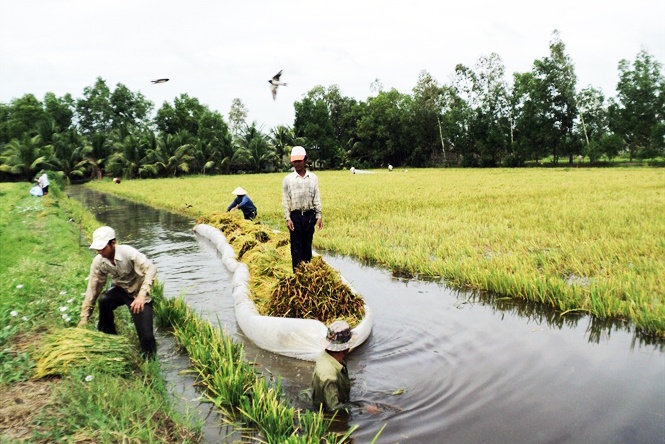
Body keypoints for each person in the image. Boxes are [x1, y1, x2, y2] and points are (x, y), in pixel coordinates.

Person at [78, 226, 158, 357]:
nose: (100, 251)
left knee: (147, 337)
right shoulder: (99, 261)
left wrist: (142, 296)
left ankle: (150, 359)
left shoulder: (128, 253)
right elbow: (93, 288)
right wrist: (84, 317)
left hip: (138, 293)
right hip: (120, 290)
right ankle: (109, 336)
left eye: (103, 248)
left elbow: (151, 269)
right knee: (104, 300)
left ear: (113, 243)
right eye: (98, 249)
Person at [282, 146, 323, 272]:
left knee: (307, 244)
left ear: (305, 160)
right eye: (295, 161)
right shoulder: (288, 179)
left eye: (299, 161)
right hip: (295, 216)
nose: (297, 164)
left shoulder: (313, 178)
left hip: (310, 215)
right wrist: (288, 218)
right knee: (296, 245)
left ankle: (308, 270)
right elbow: (285, 200)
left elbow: (316, 197)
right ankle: (297, 273)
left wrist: (319, 215)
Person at [312, 320, 354, 412]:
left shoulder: (330, 356)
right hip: (324, 411)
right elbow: (334, 408)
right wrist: (362, 407)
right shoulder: (329, 375)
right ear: (345, 348)